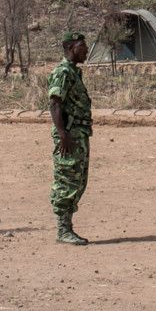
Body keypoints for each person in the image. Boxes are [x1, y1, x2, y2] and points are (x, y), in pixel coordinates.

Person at [48, 31, 95, 244]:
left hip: (78, 134)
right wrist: (63, 134)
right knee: (67, 181)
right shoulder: (63, 72)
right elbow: (55, 103)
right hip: (69, 136)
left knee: (78, 181)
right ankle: (63, 230)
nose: (85, 50)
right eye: (81, 46)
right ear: (70, 49)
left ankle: (66, 228)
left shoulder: (73, 72)